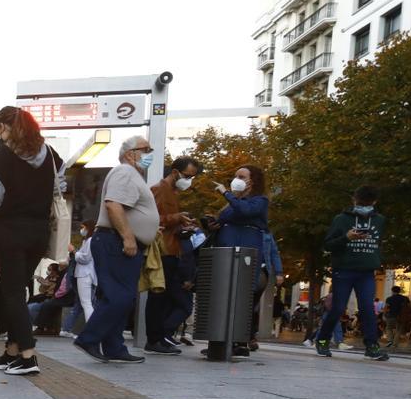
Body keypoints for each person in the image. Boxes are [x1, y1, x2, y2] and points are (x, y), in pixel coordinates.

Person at [0, 106, 62, 376]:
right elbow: (59, 184)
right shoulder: (50, 154)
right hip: (38, 232)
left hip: (11, 230)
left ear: (5, 127)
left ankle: (28, 357)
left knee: (12, 294)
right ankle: (12, 352)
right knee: (18, 291)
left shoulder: (2, 155)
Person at [73, 136, 158, 364]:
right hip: (116, 242)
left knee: (118, 295)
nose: (150, 153)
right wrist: (128, 237)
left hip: (116, 241)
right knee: (120, 296)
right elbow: (113, 204)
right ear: (131, 153)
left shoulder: (130, 174)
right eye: (146, 149)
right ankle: (89, 338)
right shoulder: (126, 172)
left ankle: (113, 347)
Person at [315, 186, 389, 360]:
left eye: (367, 203)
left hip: (366, 271)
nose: (364, 205)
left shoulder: (380, 220)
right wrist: (346, 237)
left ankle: (371, 345)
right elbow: (328, 245)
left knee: (367, 309)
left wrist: (376, 259)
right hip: (344, 269)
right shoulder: (341, 220)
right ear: (354, 201)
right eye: (362, 203)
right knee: (339, 308)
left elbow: (379, 242)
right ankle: (323, 340)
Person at [207, 165, 269, 359]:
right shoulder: (234, 202)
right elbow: (228, 216)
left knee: (242, 294)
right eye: (235, 176)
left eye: (241, 176)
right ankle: (220, 340)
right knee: (223, 293)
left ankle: (240, 340)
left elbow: (245, 211)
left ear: (253, 181)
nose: (236, 179)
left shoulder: (260, 200)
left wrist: (227, 193)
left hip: (245, 250)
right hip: (226, 248)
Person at [144, 157, 201, 355]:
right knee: (158, 297)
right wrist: (176, 218)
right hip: (163, 250)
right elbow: (152, 219)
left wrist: (181, 223)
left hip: (171, 249)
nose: (189, 181)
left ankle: (159, 338)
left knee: (166, 298)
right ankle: (153, 339)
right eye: (187, 176)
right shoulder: (159, 189)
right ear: (175, 172)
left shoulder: (172, 192)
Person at [60, 220, 98, 339]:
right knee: (87, 303)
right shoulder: (87, 241)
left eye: (83, 228)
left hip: (85, 275)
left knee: (86, 303)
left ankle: (92, 330)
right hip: (85, 275)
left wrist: (73, 251)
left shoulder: (91, 241)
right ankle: (91, 330)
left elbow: (85, 258)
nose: (81, 230)